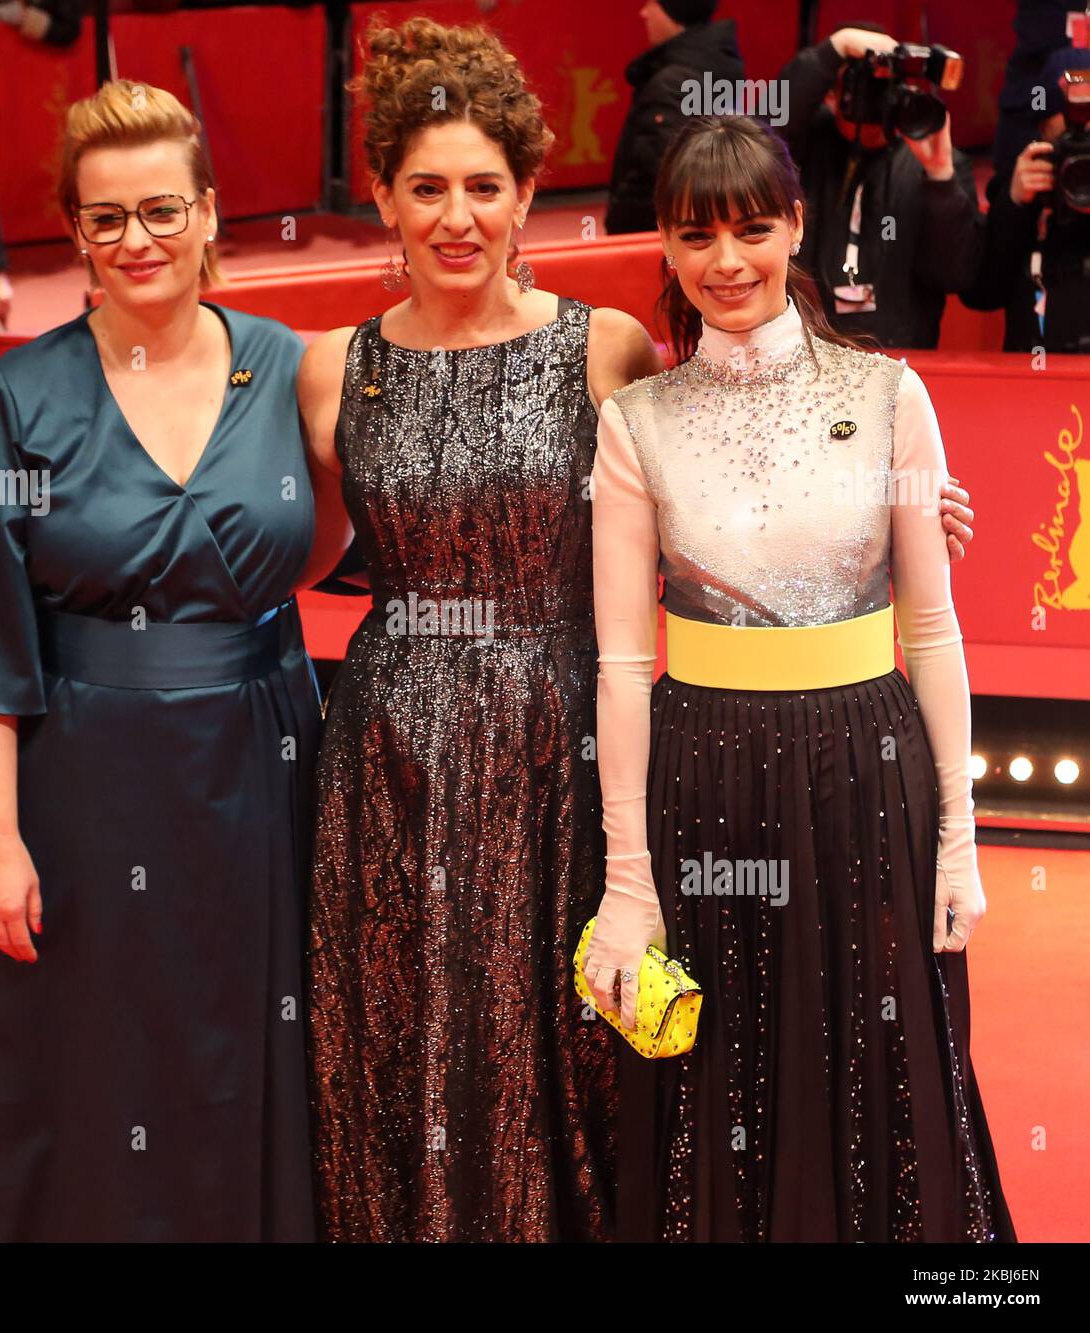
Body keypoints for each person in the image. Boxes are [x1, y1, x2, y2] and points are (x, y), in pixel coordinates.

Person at [295, 17, 975, 1242]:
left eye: (485, 187)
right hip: (441, 748)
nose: (457, 215)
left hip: (632, 745)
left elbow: (827, 561)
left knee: (694, 1052)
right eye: (427, 188)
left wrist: (905, 514)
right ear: (383, 200)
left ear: (525, 197)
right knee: (445, 1036)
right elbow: (290, 545)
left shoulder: (617, 352)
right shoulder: (339, 371)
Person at [0, 79, 321, 1240]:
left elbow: (361, 534)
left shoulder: (290, 369)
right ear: (74, 231)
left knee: (253, 1039)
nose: (138, 241)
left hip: (264, 771)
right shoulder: (19, 399)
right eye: (106, 218)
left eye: (163, 210)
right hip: (85, 785)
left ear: (212, 214)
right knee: (91, 1061)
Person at [584, 114, 1015, 1242]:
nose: (726, 261)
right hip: (703, 774)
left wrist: (960, 836)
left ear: (797, 225)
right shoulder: (635, 422)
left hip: (871, 774)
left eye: (752, 227)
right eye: (695, 235)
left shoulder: (888, 394)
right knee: (723, 1069)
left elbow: (932, 626)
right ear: (665, 248)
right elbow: (625, 664)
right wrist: (627, 883)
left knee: (886, 1058)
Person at [776, 23, 984, 350]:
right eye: (862, 89)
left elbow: (955, 276)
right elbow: (764, 127)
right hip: (804, 353)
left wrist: (940, 176)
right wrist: (836, 48)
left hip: (901, 358)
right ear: (831, 95)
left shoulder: (939, 164)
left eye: (884, 91)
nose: (875, 104)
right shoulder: (802, 147)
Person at [960, 46, 1090, 354]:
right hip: (1034, 379)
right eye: (1070, 139)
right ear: (1043, 129)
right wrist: (1014, 205)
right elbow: (981, 294)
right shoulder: (1022, 188)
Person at [606, 0, 745, 234]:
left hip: (657, 238)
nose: (644, 13)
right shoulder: (717, 63)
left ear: (673, 13)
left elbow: (658, 179)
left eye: (652, 4)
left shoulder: (672, 83)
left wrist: (619, 222)